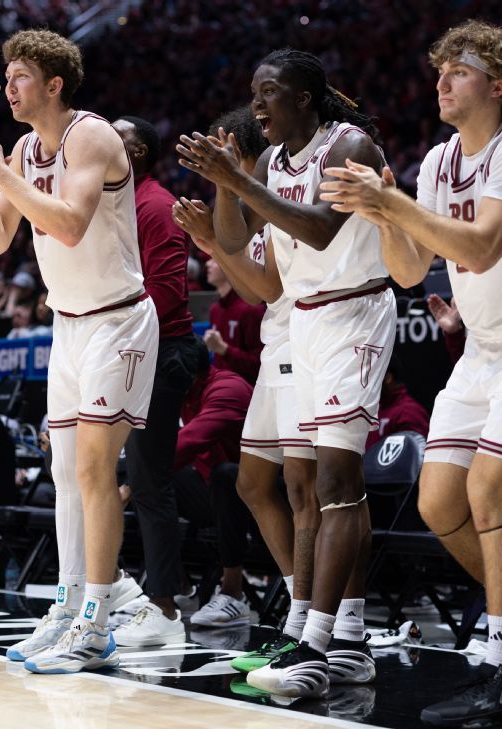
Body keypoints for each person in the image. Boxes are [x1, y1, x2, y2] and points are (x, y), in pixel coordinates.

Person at [321, 21, 502, 723]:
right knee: (441, 504)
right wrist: (387, 217)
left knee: (492, 494)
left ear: (498, 83)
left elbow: (482, 244)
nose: (442, 82)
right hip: (483, 351)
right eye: (438, 71)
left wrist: (395, 205)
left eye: (460, 71)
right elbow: (413, 269)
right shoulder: (438, 163)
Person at [179, 49, 393, 698]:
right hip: (304, 321)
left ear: (305, 98)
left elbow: (324, 231)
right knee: (313, 483)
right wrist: (223, 205)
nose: (258, 105)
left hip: (354, 313)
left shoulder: (348, 144)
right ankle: (347, 639)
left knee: (332, 479)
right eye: (254, 91)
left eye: (270, 92)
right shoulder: (272, 162)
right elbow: (257, 268)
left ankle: (316, 645)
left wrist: (236, 183)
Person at [0, 29, 158, 674]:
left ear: (53, 84)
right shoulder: (21, 147)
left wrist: (2, 178)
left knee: (97, 472)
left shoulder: (92, 136)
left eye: (18, 77)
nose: (7, 88)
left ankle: (99, 619)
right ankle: (70, 606)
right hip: (67, 327)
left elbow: (69, 226)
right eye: (5, 78)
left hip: (118, 322)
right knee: (67, 478)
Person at [171, 105, 319, 675]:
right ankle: (298, 600)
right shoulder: (253, 209)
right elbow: (250, 284)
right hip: (280, 342)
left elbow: (262, 289)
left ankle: (310, 620)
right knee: (255, 484)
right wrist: (213, 243)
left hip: (308, 340)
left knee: (307, 489)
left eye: (224, 151)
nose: (215, 161)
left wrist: (216, 238)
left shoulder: (277, 193)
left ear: (244, 151)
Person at [107, 114, 201, 647]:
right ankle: (121, 589)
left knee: (148, 482)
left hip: (159, 352)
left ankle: (164, 607)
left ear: (136, 152)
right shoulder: (116, 205)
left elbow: (166, 294)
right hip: (127, 350)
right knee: (107, 477)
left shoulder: (156, 206)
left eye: (115, 140)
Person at [168, 340, 256, 629]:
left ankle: (234, 593)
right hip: (215, 494)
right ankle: (177, 590)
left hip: (262, 496)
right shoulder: (185, 391)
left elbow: (191, 441)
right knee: (154, 481)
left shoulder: (228, 388)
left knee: (226, 475)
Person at [206, 257, 265, 384]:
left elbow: (260, 365)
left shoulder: (252, 310)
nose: (207, 264)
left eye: (213, 259)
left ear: (229, 265)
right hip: (220, 386)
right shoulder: (215, 310)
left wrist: (224, 349)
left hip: (246, 391)